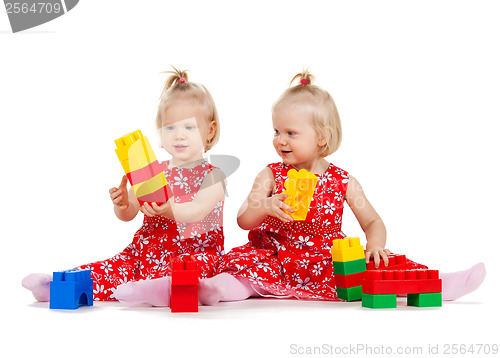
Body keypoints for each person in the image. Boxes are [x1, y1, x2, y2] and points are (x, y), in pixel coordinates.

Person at [112, 69, 485, 307]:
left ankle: (438, 283)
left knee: (372, 274)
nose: (280, 140)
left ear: (322, 138)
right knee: (240, 267)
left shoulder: (343, 181)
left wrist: (374, 244)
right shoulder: (271, 174)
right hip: (273, 256)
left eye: (291, 133)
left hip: (323, 260)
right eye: (276, 131)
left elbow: (373, 222)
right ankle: (215, 290)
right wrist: (266, 206)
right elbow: (243, 220)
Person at [22, 67, 226, 305]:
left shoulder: (214, 176)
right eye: (170, 128)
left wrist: (170, 210)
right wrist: (122, 202)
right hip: (144, 254)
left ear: (209, 130)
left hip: (192, 256)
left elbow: (197, 210)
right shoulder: (152, 170)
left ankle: (156, 291)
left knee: (188, 273)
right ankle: (57, 286)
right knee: (112, 267)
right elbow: (128, 213)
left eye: (188, 127)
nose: (178, 135)